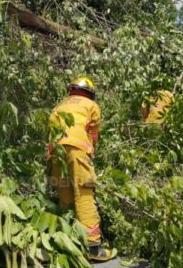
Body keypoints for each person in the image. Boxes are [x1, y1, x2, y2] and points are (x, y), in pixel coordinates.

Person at [48, 76, 117, 262]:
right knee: (84, 193)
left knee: (64, 193)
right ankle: (93, 247)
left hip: (56, 153)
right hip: (77, 151)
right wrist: (90, 152)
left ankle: (69, 241)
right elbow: (93, 134)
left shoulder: (59, 105)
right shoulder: (90, 105)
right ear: (90, 93)